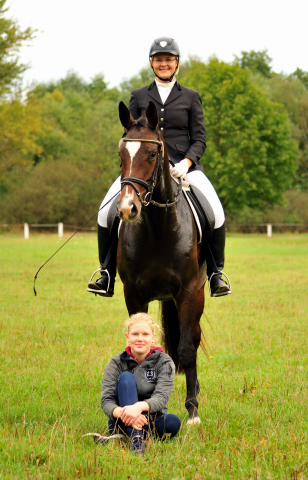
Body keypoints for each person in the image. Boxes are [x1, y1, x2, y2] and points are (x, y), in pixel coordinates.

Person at [87, 36, 231, 298]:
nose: (163, 64)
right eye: (159, 59)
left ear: (176, 63)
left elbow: (199, 139)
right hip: (143, 168)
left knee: (216, 211)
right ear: (152, 63)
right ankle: (106, 273)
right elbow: (129, 132)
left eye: (168, 59)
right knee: (103, 211)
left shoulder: (191, 97)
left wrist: (187, 163)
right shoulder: (139, 95)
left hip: (184, 167)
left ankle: (216, 274)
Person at [100, 312, 181, 455]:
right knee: (126, 377)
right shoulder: (116, 363)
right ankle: (137, 441)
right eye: (135, 334)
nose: (140, 339)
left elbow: (162, 397)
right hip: (121, 420)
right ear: (127, 337)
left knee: (173, 422)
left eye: (145, 334)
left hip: (153, 419)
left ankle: (125, 436)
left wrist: (138, 407)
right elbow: (106, 400)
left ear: (153, 337)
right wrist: (127, 414)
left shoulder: (164, 361)